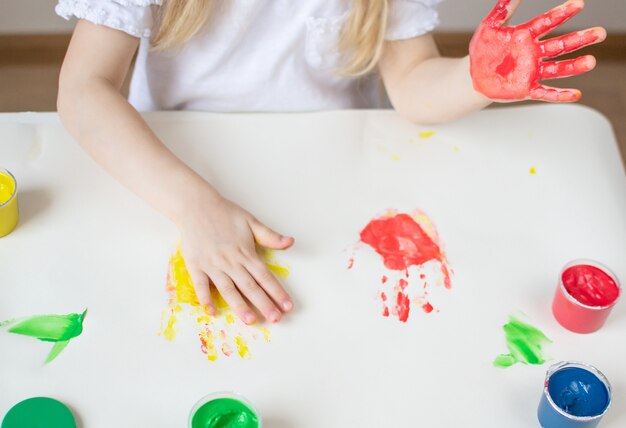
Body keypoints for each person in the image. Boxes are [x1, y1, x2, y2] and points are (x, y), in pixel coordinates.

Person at [55, 0, 605, 324]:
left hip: (336, 179)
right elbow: (84, 90)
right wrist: (194, 206)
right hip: (172, 178)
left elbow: (414, 86)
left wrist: (474, 79)